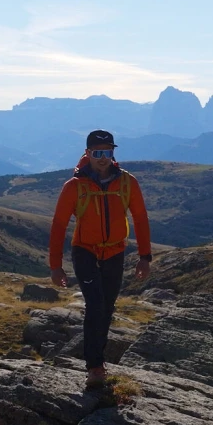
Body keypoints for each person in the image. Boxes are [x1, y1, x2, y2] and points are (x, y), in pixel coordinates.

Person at [48, 130, 153, 389]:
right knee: (95, 305)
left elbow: (140, 219)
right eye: (97, 153)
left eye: (107, 152)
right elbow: (59, 225)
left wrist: (144, 257)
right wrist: (55, 266)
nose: (103, 158)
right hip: (85, 251)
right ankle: (94, 366)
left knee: (106, 308)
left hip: (116, 252)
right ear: (88, 154)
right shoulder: (74, 187)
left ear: (113, 153)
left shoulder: (128, 183)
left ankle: (99, 360)